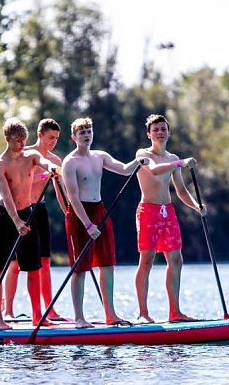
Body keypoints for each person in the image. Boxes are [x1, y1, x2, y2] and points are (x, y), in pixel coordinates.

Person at [62, 117, 148, 328]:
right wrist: (88, 225)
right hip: (79, 215)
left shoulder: (100, 156)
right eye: (81, 132)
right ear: (74, 137)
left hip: (100, 210)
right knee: (80, 268)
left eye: (89, 131)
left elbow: (125, 169)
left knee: (107, 264)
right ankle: (79, 318)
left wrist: (138, 161)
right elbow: (72, 196)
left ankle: (110, 314)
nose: (86, 135)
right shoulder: (69, 162)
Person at [0, 117, 59, 331]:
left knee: (33, 267)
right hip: (5, 217)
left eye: (24, 140)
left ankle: (38, 317)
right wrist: (16, 221)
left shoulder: (32, 156)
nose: (22, 144)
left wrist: (52, 168)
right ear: (7, 139)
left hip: (28, 213)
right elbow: (6, 197)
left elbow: (45, 162)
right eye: (18, 141)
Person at [134, 114, 206, 323]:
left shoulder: (173, 159)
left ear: (169, 133)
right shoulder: (143, 154)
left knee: (176, 260)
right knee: (146, 260)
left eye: (163, 129)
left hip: (168, 212)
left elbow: (181, 191)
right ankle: (143, 314)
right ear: (149, 134)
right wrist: (181, 163)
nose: (160, 132)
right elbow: (154, 171)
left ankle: (175, 313)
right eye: (155, 129)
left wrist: (196, 206)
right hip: (148, 211)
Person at [3, 118, 66, 321]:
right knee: (14, 264)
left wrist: (68, 213)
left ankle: (49, 309)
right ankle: (8, 311)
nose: (53, 142)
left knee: (44, 262)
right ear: (39, 135)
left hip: (39, 210)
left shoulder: (56, 161)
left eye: (56, 138)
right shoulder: (25, 154)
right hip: (20, 212)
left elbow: (61, 191)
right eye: (50, 138)